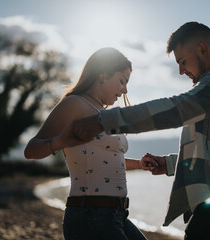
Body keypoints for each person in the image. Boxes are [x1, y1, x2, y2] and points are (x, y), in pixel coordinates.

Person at [62, 22, 210, 239]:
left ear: (203, 48)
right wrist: (170, 163)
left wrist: (104, 121)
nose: (181, 71)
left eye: (182, 61)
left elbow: (177, 109)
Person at [24, 47, 156, 240]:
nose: (125, 90)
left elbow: (105, 159)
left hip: (116, 215)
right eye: (122, 81)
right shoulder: (75, 104)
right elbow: (31, 149)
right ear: (103, 75)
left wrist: (138, 164)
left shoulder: (104, 113)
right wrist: (60, 142)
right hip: (90, 214)